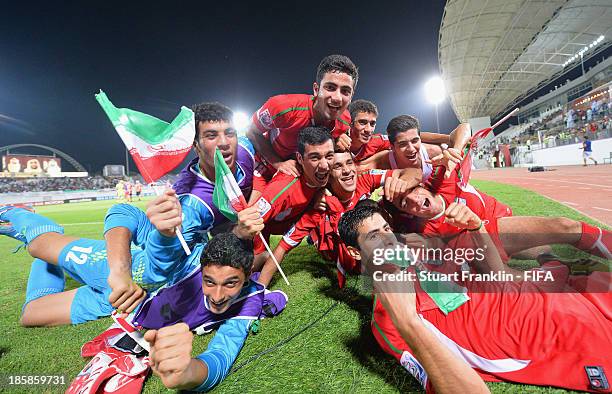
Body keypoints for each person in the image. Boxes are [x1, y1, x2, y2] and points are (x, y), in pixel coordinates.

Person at [338, 201, 612, 393]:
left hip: (569, 294)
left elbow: (497, 276)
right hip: (566, 335)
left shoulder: (422, 259)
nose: (389, 240)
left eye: (387, 229)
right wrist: (409, 321)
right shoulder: (388, 320)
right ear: (354, 253)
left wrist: (476, 227)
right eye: (374, 236)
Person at [258, 150, 416, 286]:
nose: (347, 170)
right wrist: (260, 289)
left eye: (349, 163)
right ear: (328, 174)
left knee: (379, 205)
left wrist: (400, 184)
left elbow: (414, 173)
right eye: (338, 167)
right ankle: (316, 239)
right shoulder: (320, 207)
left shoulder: (364, 179)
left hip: (363, 238)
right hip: (343, 251)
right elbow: (282, 247)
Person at [246, 54, 358, 195]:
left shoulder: (344, 121)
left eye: (345, 91)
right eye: (330, 87)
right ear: (316, 89)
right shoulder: (282, 107)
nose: (337, 98)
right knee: (255, 212)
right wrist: (277, 163)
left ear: (351, 96)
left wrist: (337, 140)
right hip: (263, 165)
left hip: (297, 175)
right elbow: (251, 131)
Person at [359, 115, 470, 181]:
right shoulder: (385, 160)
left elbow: (465, 127)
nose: (411, 149)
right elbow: (357, 168)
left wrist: (456, 148)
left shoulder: (434, 152)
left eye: (415, 140)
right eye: (402, 144)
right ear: (392, 147)